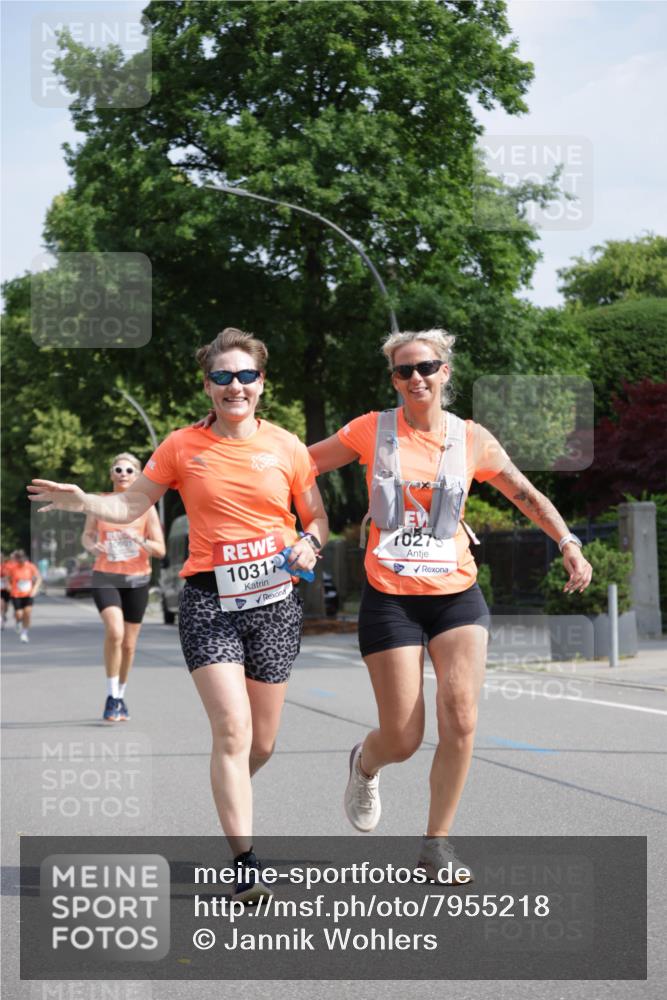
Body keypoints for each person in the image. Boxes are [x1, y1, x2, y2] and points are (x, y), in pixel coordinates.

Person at [29, 326, 328, 901]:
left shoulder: (288, 447)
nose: (234, 386)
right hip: (209, 601)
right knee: (233, 729)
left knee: (260, 743)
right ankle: (245, 863)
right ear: (208, 384)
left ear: (261, 383)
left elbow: (314, 519)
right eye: (222, 377)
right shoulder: (181, 446)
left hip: (274, 604)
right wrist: (85, 500)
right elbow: (131, 503)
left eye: (245, 376)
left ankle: (229, 784)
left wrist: (310, 545)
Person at [308, 329, 592, 882]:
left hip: (456, 593)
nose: (416, 378)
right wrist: (244, 451)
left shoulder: (472, 439)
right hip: (390, 597)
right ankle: (365, 764)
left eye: (426, 367)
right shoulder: (372, 429)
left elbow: (525, 494)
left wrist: (568, 542)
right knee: (403, 738)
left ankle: (436, 844)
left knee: (461, 718)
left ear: (445, 373)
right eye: (403, 370)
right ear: (393, 379)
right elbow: (298, 465)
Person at [81, 453, 166, 722]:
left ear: (138, 475)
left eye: (129, 470)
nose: (123, 474)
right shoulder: (100, 505)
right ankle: (111, 695)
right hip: (106, 576)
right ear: (111, 474)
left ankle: (120, 694)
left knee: (129, 645)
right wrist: (91, 545)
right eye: (118, 469)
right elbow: (87, 535)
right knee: (115, 632)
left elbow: (161, 549)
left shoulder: (147, 508)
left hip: (137, 579)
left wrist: (140, 540)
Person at [7, 549, 42, 643]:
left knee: (27, 613)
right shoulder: (13, 568)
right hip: (16, 594)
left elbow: (38, 578)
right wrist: (9, 587)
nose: (21, 560)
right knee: (19, 614)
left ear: (25, 558)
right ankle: (18, 622)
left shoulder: (30, 566)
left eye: (22, 558)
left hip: (28, 594)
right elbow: (7, 579)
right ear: (17, 559)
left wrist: (35, 589)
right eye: (19, 558)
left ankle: (24, 633)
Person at [1, 550, 16, 629]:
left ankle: (4, 615)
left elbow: (9, 576)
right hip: (1, 589)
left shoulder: (6, 566)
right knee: (1, 605)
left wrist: (7, 582)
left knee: (6, 606)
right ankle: (1, 619)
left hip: (7, 588)